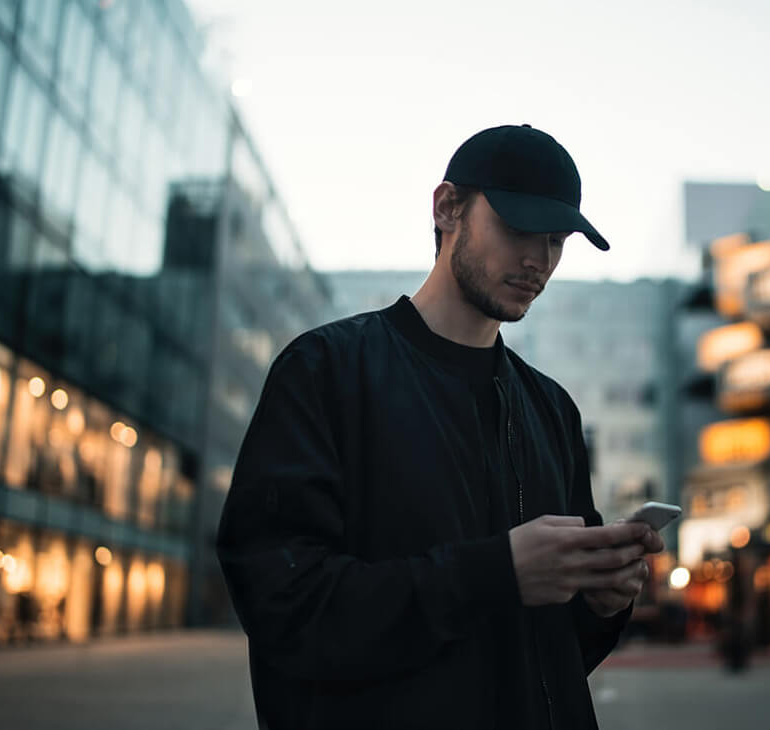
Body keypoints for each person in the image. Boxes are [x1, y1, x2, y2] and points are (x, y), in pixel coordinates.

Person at [216, 124, 665, 729]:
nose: (539, 260)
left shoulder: (552, 409)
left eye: (557, 240)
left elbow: (558, 652)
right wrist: (496, 573)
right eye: (518, 228)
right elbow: (285, 607)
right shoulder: (325, 372)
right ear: (447, 208)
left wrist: (603, 601)